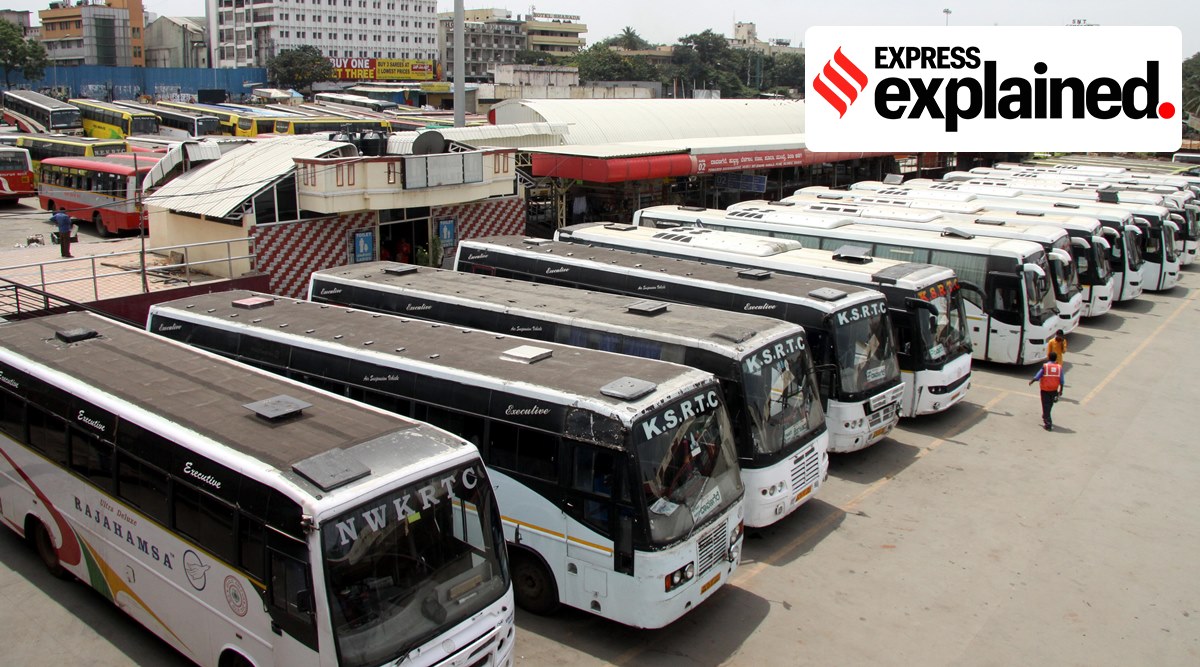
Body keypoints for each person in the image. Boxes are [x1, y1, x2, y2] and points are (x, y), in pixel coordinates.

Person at [1028, 351, 1065, 431]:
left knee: (1046, 405)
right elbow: (1062, 380)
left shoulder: (1045, 366)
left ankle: (1048, 423)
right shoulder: (1059, 367)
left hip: (1045, 389)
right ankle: (1045, 415)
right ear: (1056, 358)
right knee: (1050, 404)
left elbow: (1038, 375)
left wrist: (1032, 381)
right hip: (1054, 389)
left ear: (1048, 357)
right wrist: (1061, 390)